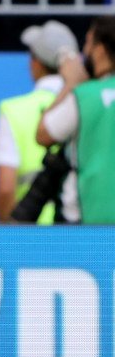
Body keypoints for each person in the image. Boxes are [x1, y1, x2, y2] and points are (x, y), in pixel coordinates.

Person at [0, 20, 75, 223]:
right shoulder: (85, 104)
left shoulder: (12, 110)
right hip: (74, 230)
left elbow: (6, 188)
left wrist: (10, 229)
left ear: (36, 63)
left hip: (28, 230)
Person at [37, 15, 115, 224]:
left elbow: (43, 134)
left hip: (86, 223)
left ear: (100, 50)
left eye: (88, 43)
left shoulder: (83, 97)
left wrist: (71, 83)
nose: (85, 51)